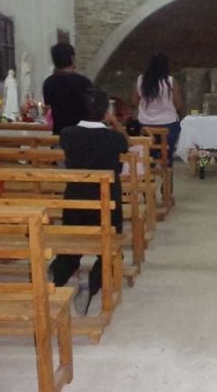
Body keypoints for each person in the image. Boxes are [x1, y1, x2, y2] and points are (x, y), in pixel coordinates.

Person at [49, 89, 128, 316]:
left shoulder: (68, 133)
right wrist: (114, 123)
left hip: (75, 199)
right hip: (106, 203)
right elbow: (126, 143)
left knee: (72, 246)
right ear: (106, 111)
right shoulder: (113, 138)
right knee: (110, 250)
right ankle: (90, 287)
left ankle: (55, 275)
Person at [133, 53, 183, 166]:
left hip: (145, 124)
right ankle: (167, 179)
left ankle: (149, 178)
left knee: (147, 154)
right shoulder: (170, 82)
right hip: (168, 124)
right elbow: (179, 105)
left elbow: (134, 101)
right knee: (167, 156)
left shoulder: (141, 80)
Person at [42, 43, 93, 135]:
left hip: (60, 135)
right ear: (72, 58)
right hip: (82, 136)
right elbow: (92, 109)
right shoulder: (85, 82)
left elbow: (48, 111)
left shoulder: (49, 83)